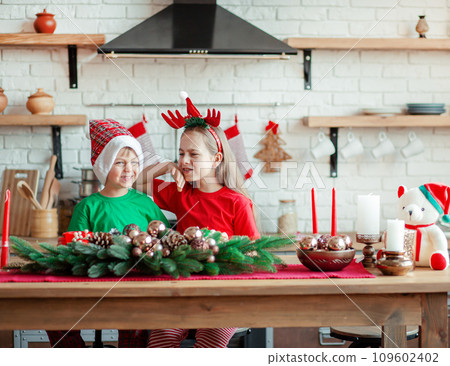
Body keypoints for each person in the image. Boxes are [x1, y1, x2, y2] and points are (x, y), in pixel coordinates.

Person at [139, 92, 259, 348]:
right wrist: (166, 167)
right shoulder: (180, 193)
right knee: (161, 339)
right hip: (183, 291)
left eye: (193, 154)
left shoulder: (236, 202)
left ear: (216, 159)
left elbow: (254, 253)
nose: (183, 161)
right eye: (181, 153)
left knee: (210, 342)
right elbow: (139, 181)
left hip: (224, 294)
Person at [47, 119, 169, 348]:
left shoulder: (145, 204)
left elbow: (165, 241)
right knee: (52, 312)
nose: (129, 169)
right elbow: (73, 248)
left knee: (136, 324)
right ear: (104, 165)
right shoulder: (88, 206)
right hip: (95, 286)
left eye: (134, 163)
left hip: (137, 285)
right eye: (120, 163)